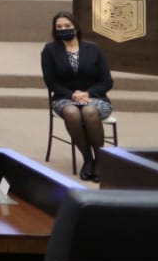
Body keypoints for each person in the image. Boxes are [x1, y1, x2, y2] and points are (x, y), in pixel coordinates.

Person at [41, 11, 113, 181]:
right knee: (72, 113)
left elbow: (107, 81)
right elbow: (51, 82)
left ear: (76, 27)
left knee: (89, 112)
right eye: (59, 27)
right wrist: (73, 95)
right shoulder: (50, 50)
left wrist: (87, 93)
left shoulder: (93, 49)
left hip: (95, 97)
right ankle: (88, 159)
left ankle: (100, 161)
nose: (63, 29)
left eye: (67, 26)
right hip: (64, 97)